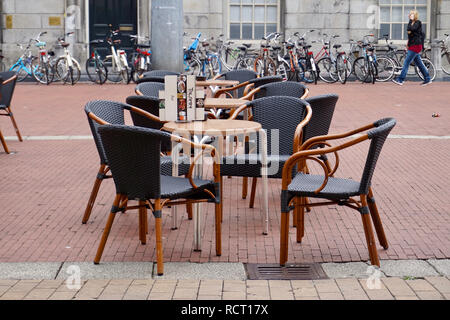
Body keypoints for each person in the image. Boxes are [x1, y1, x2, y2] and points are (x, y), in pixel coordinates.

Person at [392, 10, 432, 86]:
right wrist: (407, 45)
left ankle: (400, 79)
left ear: (415, 15)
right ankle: (427, 78)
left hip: (416, 45)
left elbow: (412, 29)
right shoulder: (410, 23)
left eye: (412, 14)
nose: (410, 15)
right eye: (410, 14)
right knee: (419, 64)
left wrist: (410, 24)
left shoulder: (418, 22)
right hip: (412, 45)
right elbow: (409, 34)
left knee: (406, 62)